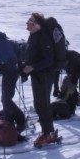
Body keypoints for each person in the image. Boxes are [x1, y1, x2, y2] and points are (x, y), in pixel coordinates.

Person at [22, 12, 60, 146]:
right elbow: (32, 54)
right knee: (39, 103)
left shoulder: (43, 38)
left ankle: (48, 134)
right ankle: (47, 131)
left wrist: (32, 67)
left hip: (45, 74)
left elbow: (48, 60)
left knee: (42, 104)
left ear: (36, 25)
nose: (27, 24)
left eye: (29, 22)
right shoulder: (33, 36)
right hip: (38, 74)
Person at [0, 31, 26, 132]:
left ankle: (20, 120)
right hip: (14, 71)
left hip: (6, 71)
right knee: (6, 97)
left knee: (5, 99)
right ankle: (9, 118)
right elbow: (21, 54)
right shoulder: (9, 41)